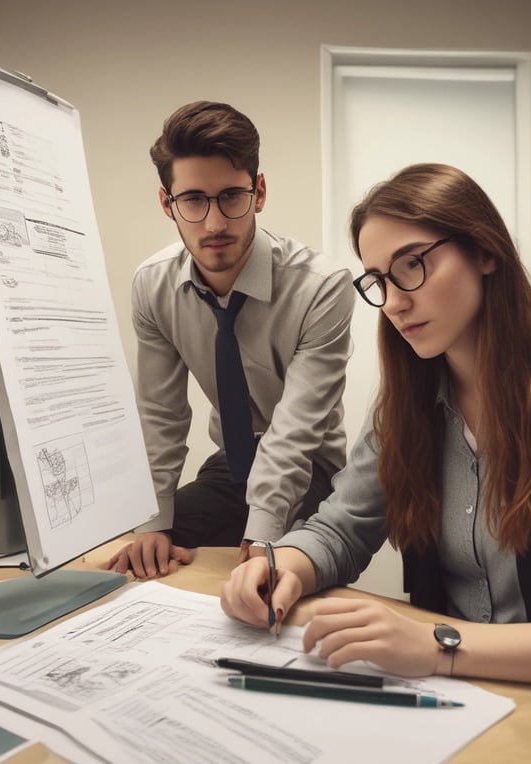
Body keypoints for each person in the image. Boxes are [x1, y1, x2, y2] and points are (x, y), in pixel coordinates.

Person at [221, 163, 531, 762]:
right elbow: (340, 527)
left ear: (485, 252)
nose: (395, 302)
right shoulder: (408, 401)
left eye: (413, 264)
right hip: (454, 711)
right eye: (379, 279)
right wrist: (287, 566)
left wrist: (439, 644)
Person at [104, 101, 354, 579]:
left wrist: (262, 533)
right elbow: (161, 414)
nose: (215, 223)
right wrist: (153, 521)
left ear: (259, 192)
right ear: (167, 203)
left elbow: (296, 431)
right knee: (147, 555)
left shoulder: (321, 286)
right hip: (230, 466)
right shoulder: (153, 286)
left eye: (231, 197)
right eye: (193, 200)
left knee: (275, 576)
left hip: (311, 470)